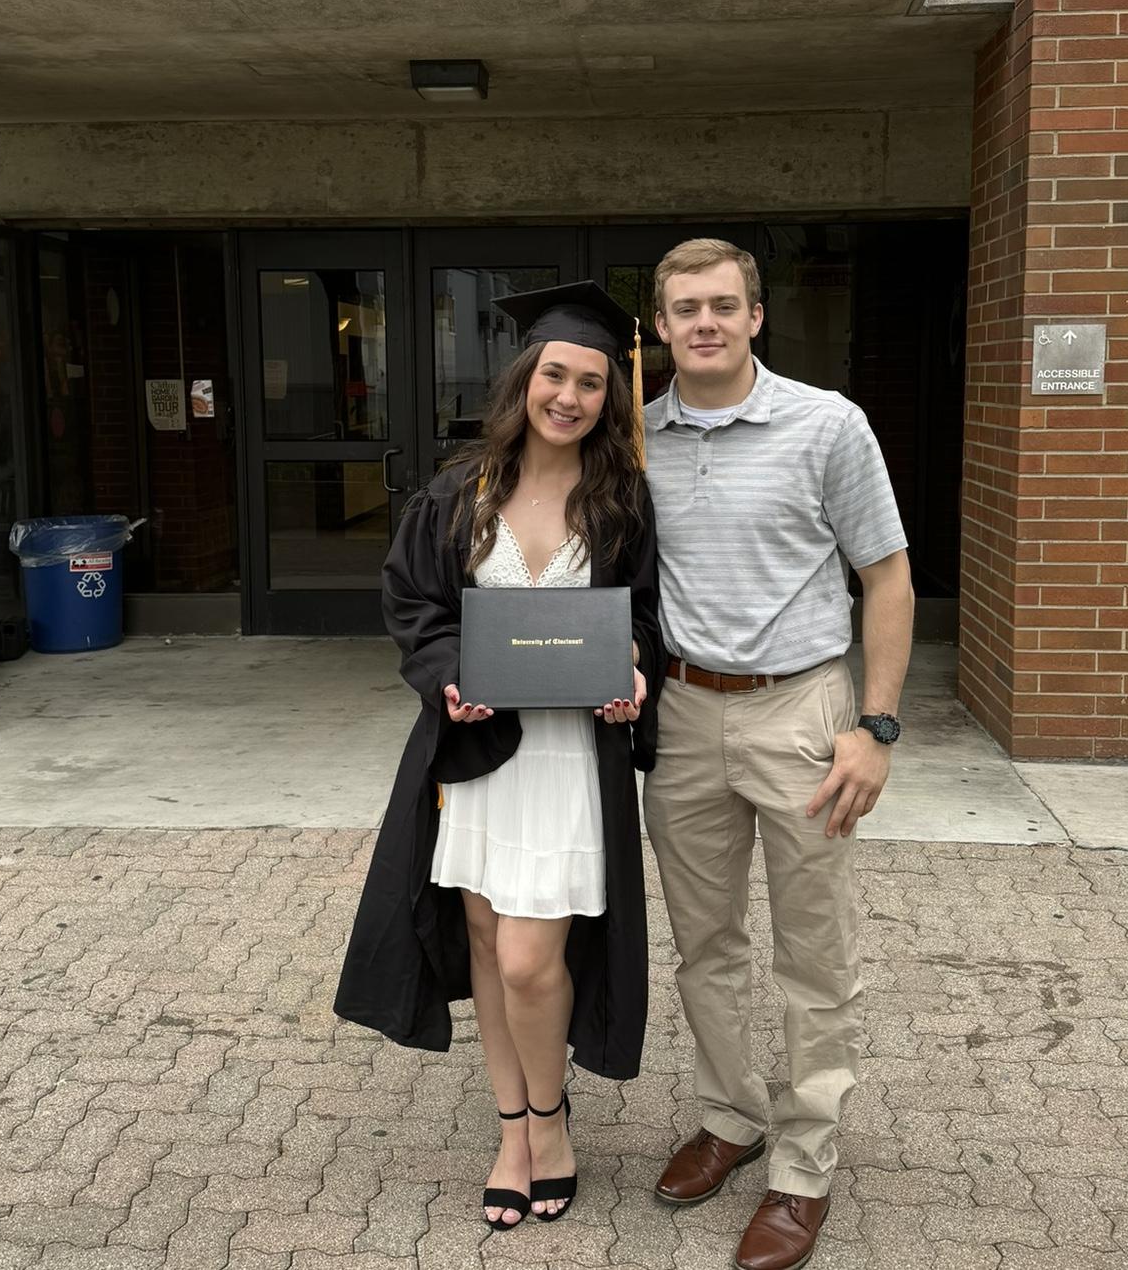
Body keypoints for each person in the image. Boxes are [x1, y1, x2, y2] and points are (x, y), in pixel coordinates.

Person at [334, 281, 665, 1233]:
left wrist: (634, 671)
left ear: (610, 398)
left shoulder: (620, 500)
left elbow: (641, 619)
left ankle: (552, 1122)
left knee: (529, 958)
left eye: (592, 383)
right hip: (478, 755)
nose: (569, 396)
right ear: (525, 378)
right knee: (484, 942)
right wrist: (446, 674)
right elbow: (415, 608)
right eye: (555, 374)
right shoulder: (458, 490)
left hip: (568, 760)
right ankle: (513, 1131)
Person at [640, 239, 914, 1270]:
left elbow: (887, 578)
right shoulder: (636, 435)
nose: (703, 323)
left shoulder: (826, 424)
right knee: (704, 943)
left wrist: (874, 726)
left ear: (756, 316)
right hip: (680, 713)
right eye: (683, 309)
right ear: (661, 327)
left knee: (813, 953)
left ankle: (803, 1166)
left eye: (722, 305)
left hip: (800, 713)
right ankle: (729, 1115)